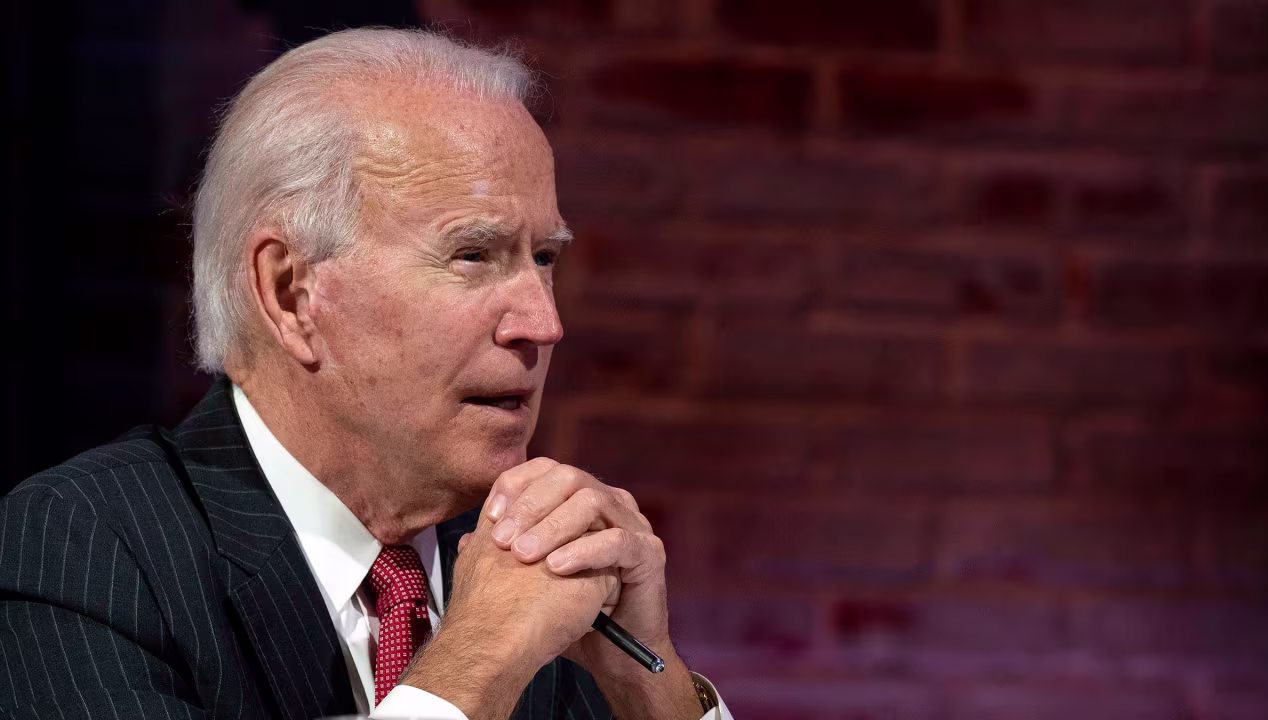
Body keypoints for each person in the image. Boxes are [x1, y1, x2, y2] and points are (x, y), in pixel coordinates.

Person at [0, 28, 732, 720]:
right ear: (291, 294)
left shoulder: (542, 562)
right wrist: (478, 661)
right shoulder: (81, 547)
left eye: (543, 258)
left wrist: (649, 684)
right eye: (474, 256)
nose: (543, 323)